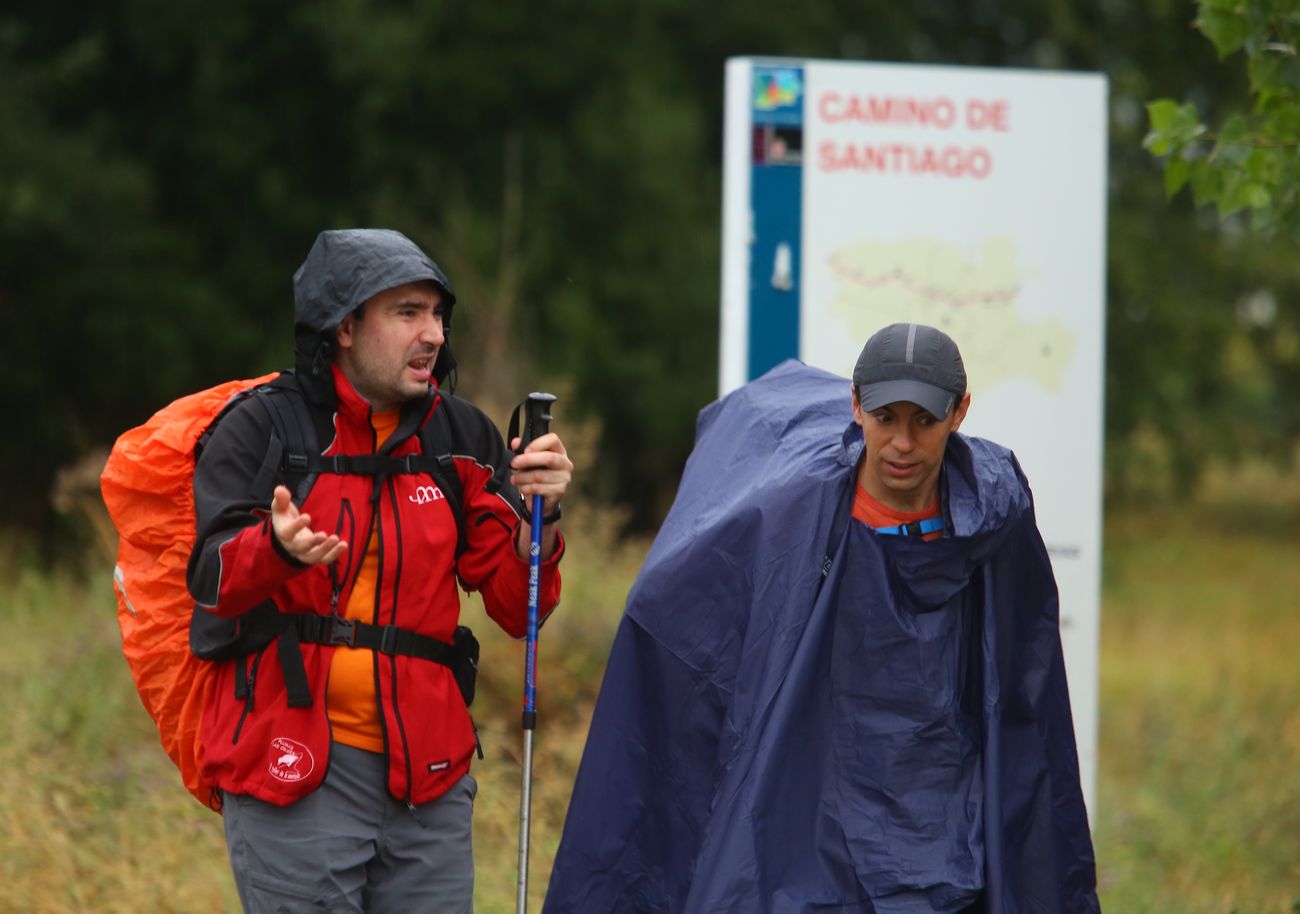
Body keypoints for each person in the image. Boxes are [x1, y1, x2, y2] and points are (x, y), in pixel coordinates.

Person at [543, 323, 1099, 914]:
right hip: (809, 815)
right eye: (886, 418)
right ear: (856, 407)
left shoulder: (993, 519)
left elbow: (1022, 691)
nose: (903, 444)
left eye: (924, 421)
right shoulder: (796, 512)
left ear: (960, 412)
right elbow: (679, 624)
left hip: (943, 818)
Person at [186, 228, 572, 913]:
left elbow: (521, 610)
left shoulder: (463, 437)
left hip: (429, 780)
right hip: (293, 767)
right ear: (344, 326)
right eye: (407, 313)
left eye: (438, 315)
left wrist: (535, 528)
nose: (433, 335)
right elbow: (211, 580)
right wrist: (275, 550)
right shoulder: (261, 428)